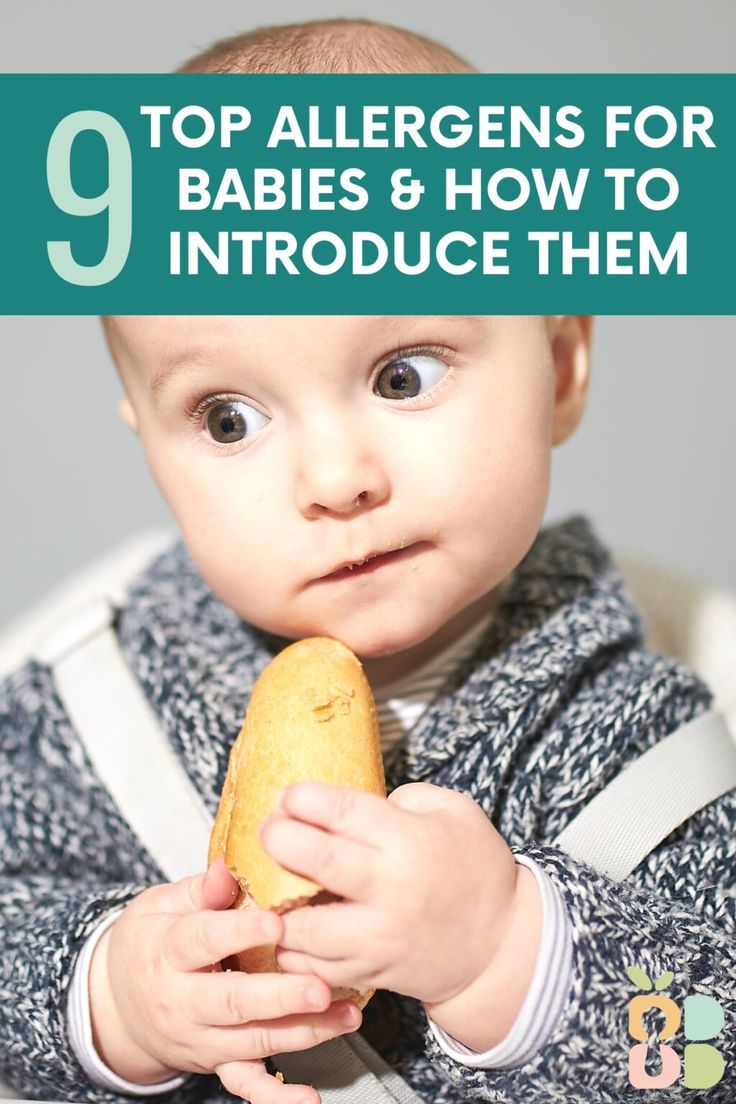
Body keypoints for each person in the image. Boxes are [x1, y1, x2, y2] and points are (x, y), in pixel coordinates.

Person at [1, 18, 734, 1104]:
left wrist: (507, 955)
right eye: (229, 417)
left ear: (562, 362)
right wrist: (108, 994)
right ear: (150, 449)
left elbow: (712, 1044)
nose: (333, 478)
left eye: (401, 376)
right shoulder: (90, 702)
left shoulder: (641, 730)